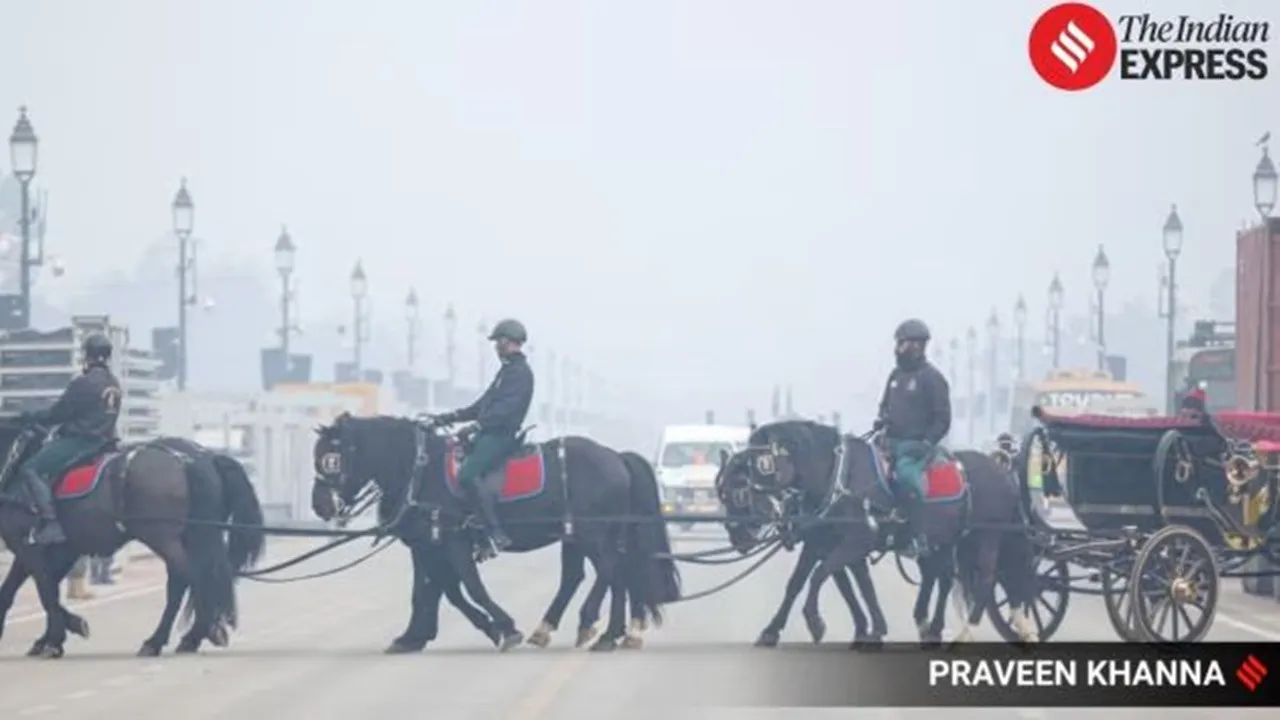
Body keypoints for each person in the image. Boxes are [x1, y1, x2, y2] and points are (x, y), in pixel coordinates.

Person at [431, 318, 535, 558]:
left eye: (499, 341)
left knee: (466, 474)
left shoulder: (520, 373)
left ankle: (494, 533)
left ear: (509, 342)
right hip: (489, 431)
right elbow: (484, 405)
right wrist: (450, 417)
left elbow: (506, 410)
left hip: (501, 435)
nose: (496, 347)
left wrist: (478, 425)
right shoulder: (507, 371)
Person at [17, 333, 122, 545]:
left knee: (30, 468)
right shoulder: (114, 382)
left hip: (81, 442)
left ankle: (50, 522)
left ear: (88, 356)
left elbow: (58, 414)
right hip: (105, 441)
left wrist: (31, 416)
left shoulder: (83, 382)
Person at [874, 319, 952, 559]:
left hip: (915, 446)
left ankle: (919, 535)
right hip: (890, 442)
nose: (897, 348)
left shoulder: (932, 378)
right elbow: (885, 406)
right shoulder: (895, 376)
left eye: (902, 343)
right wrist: (881, 421)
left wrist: (927, 442)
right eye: (898, 343)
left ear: (917, 346)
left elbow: (942, 418)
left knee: (907, 476)